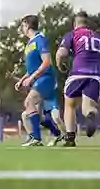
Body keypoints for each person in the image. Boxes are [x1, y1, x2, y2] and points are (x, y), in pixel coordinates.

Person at [56, 11, 100, 147]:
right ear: (88, 24)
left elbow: (61, 53)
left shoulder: (72, 34)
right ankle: (91, 116)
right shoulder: (99, 37)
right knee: (88, 106)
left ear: (75, 24)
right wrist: (98, 66)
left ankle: (70, 137)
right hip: (96, 75)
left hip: (77, 73)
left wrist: (60, 65)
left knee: (70, 105)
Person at [14, 15, 64, 147]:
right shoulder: (29, 44)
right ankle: (45, 136)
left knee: (29, 102)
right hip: (38, 78)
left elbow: (46, 62)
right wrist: (23, 79)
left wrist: (32, 78)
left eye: (23, 25)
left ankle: (36, 138)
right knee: (31, 112)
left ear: (28, 25)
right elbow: (32, 68)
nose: (22, 28)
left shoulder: (40, 40)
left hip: (46, 78)